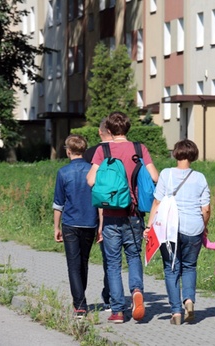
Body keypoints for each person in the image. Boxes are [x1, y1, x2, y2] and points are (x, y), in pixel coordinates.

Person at [86, 111, 159, 324]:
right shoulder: (140, 149)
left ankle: (117, 310)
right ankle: (137, 290)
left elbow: (91, 180)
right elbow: (154, 177)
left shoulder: (103, 149)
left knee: (113, 262)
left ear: (108, 130)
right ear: (127, 129)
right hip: (134, 214)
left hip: (110, 215)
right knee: (134, 256)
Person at [145, 139, 211, 325]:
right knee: (189, 266)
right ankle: (189, 300)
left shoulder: (166, 174)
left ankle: (175, 312)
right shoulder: (200, 178)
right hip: (193, 228)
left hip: (170, 230)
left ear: (175, 153)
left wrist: (149, 226)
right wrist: (203, 226)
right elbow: (205, 209)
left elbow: (157, 202)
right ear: (194, 155)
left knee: (171, 268)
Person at [53, 134, 99, 319]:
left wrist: (56, 227)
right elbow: (99, 200)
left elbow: (58, 203)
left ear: (68, 151)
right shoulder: (94, 170)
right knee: (84, 262)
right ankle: (80, 298)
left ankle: (79, 304)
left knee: (73, 264)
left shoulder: (63, 173)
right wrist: (101, 225)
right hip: (90, 222)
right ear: (84, 150)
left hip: (70, 223)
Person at [83, 118, 113, 311]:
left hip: (93, 208)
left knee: (86, 258)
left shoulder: (90, 153)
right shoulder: (127, 150)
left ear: (100, 132)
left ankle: (80, 300)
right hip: (120, 207)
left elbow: (90, 182)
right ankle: (111, 296)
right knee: (112, 258)